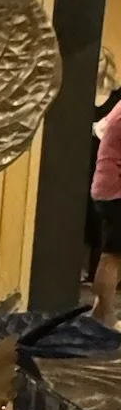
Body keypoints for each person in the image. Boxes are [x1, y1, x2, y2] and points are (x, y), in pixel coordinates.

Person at [92, 95, 121, 324]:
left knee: (113, 255)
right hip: (115, 191)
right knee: (113, 256)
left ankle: (100, 313)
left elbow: (100, 128)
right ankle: (105, 317)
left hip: (108, 188)